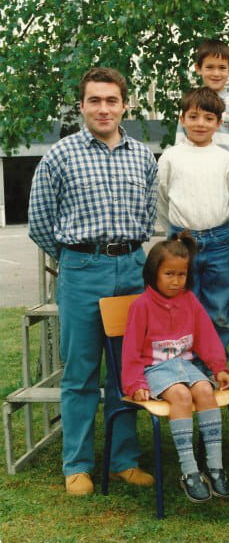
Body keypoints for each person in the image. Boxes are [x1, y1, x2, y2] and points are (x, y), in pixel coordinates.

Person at [28, 67, 157, 495]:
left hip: (131, 269)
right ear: (81, 105)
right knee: (81, 372)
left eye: (111, 101)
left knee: (126, 370)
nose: (104, 109)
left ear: (124, 105)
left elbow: (147, 215)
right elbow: (40, 222)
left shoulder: (142, 156)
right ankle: (77, 465)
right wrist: (76, 256)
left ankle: (123, 461)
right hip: (82, 270)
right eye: (95, 101)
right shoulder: (60, 155)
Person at [122, 233, 229, 503]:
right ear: (153, 273)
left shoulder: (190, 301)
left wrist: (218, 367)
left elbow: (207, 337)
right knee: (181, 396)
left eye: (181, 274)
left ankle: (215, 466)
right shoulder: (141, 306)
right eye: (169, 274)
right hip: (156, 370)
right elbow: (131, 352)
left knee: (205, 390)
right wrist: (136, 385)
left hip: (186, 366)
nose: (176, 281)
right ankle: (189, 470)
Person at [158, 87, 229, 349]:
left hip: (219, 243)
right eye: (193, 117)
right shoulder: (171, 157)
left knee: (218, 311)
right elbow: (161, 199)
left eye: (208, 118)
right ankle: (187, 365)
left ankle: (216, 364)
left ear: (219, 122)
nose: (200, 123)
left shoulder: (226, 159)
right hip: (182, 243)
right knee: (182, 308)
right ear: (182, 119)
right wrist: (174, 232)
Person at [176, 38, 229, 180]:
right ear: (198, 68)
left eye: (222, 68)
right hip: (195, 175)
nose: (216, 73)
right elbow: (180, 143)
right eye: (210, 67)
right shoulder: (189, 106)